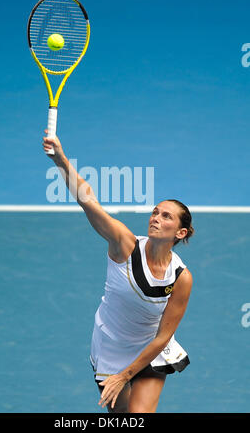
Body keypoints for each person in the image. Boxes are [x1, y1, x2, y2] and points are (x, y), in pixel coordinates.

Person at [43, 133, 194, 413]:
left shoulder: (181, 278)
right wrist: (61, 161)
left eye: (166, 217)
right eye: (155, 212)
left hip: (151, 348)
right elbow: (89, 202)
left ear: (180, 232)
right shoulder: (124, 244)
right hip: (112, 345)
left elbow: (163, 336)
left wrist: (127, 375)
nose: (155, 219)